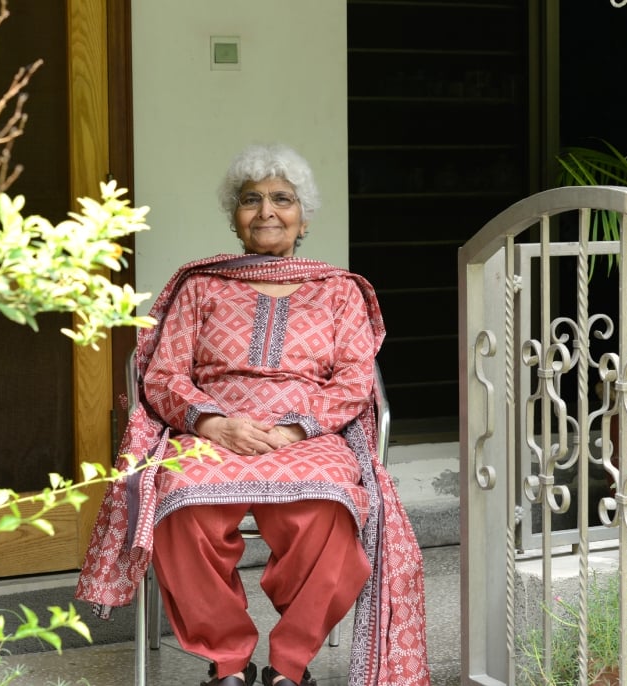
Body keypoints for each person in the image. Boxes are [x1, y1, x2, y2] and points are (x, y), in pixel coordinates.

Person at [77, 143, 429, 686]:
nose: (266, 211)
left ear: (304, 218)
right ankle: (227, 662)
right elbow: (164, 376)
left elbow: (354, 382)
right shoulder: (200, 286)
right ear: (235, 217)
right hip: (212, 430)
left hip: (308, 433)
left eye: (282, 199)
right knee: (180, 504)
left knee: (330, 510)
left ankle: (290, 665)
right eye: (251, 200)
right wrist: (212, 423)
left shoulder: (339, 292)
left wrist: (293, 430)